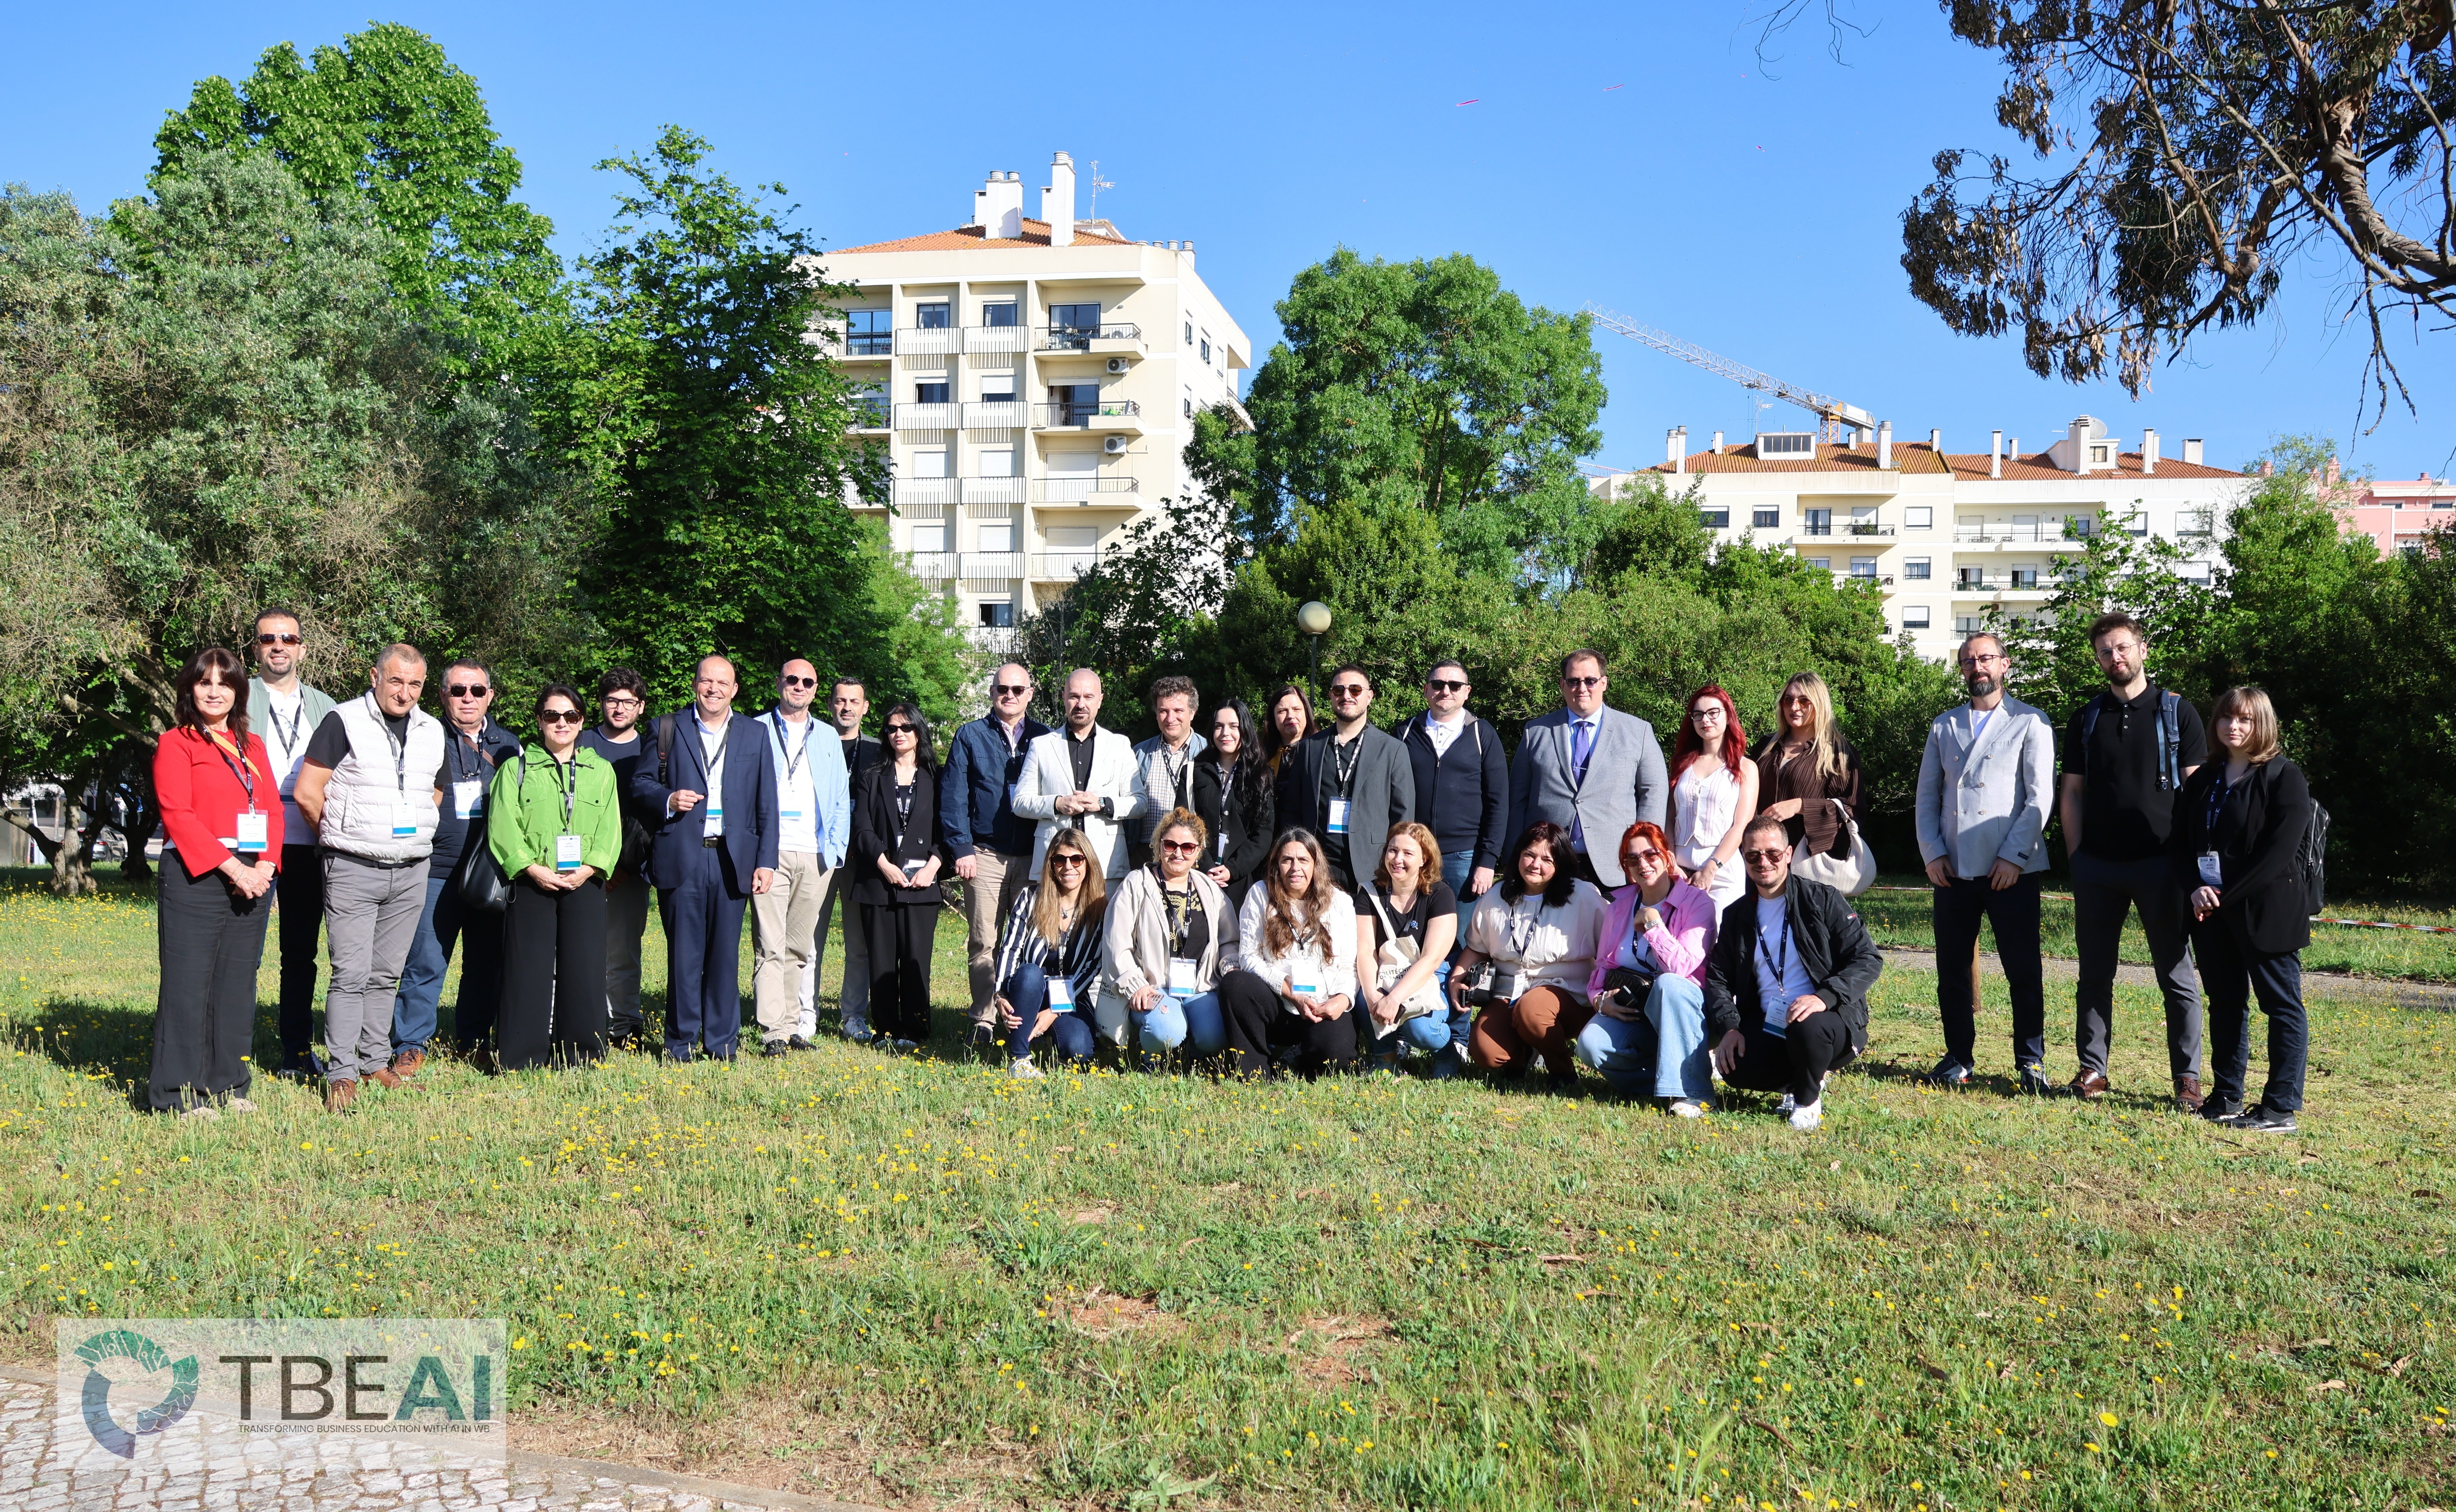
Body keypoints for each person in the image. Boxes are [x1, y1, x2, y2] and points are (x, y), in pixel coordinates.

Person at [2060, 612, 2210, 1108]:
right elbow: (2072, 793)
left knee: (2175, 975)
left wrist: (2192, 865)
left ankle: (2187, 1079)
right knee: (2093, 974)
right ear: (2097, 659)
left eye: (2122, 647)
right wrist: (2077, 858)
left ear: (2142, 650)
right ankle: (2092, 1069)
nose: (2114, 657)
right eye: (2105, 651)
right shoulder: (2086, 719)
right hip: (2097, 867)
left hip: (2162, 866)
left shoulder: (2177, 712)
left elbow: (2197, 795)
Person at [291, 644, 447, 1113]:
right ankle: (341, 1071)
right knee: (351, 974)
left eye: (415, 684)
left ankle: (375, 1062)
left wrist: (410, 834)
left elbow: (434, 792)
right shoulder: (343, 721)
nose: (405, 693)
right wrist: (339, 838)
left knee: (386, 974)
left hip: (411, 868)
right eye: (396, 681)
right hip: (352, 866)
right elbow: (308, 792)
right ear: (375, 677)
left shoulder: (432, 730)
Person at [1914, 632, 2058, 1094]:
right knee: (1952, 971)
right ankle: (1958, 1057)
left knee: (2023, 971)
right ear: (1961, 669)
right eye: (1968, 661)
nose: (1977, 667)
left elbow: (2039, 799)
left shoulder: (2030, 722)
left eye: (1985, 658)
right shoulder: (1943, 726)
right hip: (1953, 869)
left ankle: (2031, 1062)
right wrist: (1932, 853)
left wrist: (2013, 857)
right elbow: (1926, 797)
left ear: (2004, 664)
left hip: (2010, 869)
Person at [2171, 686, 2313, 1134]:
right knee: (2226, 1004)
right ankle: (2227, 1096)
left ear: (2262, 724)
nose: (2233, 726)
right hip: (2211, 913)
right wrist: (2195, 888)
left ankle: (2279, 1109)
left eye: (2245, 719)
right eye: (2226, 718)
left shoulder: (2284, 777)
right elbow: (2179, 843)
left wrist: (2222, 896)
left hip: (2266, 911)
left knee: (2281, 1006)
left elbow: (2277, 854)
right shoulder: (2203, 779)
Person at [151, 647, 283, 1117]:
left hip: (253, 875)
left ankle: (230, 1086)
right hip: (198, 872)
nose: (214, 692)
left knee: (236, 984)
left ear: (238, 692)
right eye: (204, 682)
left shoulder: (254, 746)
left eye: (224, 683)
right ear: (190, 689)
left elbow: (274, 811)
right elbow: (178, 815)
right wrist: (235, 869)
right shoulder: (177, 743)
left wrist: (265, 867)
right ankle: (177, 1095)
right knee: (188, 986)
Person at [630, 655, 780, 1063]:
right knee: (684, 957)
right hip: (683, 855)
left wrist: (766, 861)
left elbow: (767, 802)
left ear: (735, 690)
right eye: (706, 681)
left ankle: (722, 1045)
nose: (713, 689)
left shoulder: (754, 733)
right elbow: (640, 784)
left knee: (724, 957)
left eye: (722, 683)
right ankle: (680, 1045)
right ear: (695, 684)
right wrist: (667, 798)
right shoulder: (667, 727)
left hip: (733, 859)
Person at [1703, 814, 1886, 1132]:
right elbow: (1718, 978)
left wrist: (1823, 997)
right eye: (1753, 856)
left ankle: (1806, 1100)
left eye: (1773, 854)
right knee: (1735, 1067)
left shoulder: (1823, 899)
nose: (1764, 862)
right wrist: (1730, 1028)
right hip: (1769, 1020)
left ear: (1788, 855)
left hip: (1826, 1019)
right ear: (1743, 858)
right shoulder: (1737, 915)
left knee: (1807, 1025)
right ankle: (1799, 1079)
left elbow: (1867, 959)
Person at [396, 659, 519, 1075]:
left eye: (477, 691)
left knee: (486, 963)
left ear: (490, 696)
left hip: (489, 874)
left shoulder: (509, 746)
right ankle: (411, 1046)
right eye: (458, 690)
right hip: (435, 870)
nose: (468, 698)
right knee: (426, 962)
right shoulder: (424, 738)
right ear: (443, 695)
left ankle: (474, 1042)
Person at [489, 685, 621, 1071]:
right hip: (532, 882)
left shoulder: (602, 772)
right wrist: (531, 868)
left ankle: (582, 1056)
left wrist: (590, 868)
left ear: (581, 722)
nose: (561, 723)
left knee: (585, 970)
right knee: (527, 971)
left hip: (585, 881)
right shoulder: (516, 770)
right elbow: (503, 825)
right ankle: (521, 1058)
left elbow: (611, 828)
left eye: (570, 716)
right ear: (539, 721)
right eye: (552, 715)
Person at [245, 607, 337, 1081]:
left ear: (302, 649)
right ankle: (230, 1050)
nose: (278, 646)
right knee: (243, 952)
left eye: (288, 639)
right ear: (255, 648)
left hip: (307, 838)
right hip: (252, 841)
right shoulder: (237, 697)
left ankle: (296, 1051)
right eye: (268, 639)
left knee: (300, 954)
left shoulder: (326, 706)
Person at [1572, 821, 1719, 1114]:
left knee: (1668, 984)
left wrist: (1653, 924)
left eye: (1651, 855)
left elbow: (1681, 968)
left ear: (1667, 857)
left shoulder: (1697, 903)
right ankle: (1662, 1084)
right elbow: (1602, 967)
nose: (1643, 864)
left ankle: (1697, 1094)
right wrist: (1600, 1001)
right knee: (1590, 1044)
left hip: (1690, 1014)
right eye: (1632, 859)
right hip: (1636, 1012)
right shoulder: (1618, 907)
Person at [942, 663, 1052, 1056]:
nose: (1010, 695)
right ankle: (984, 1020)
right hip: (985, 854)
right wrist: (962, 849)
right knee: (984, 940)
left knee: (1030, 942)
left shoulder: (1045, 738)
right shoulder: (970, 735)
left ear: (1030, 694)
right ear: (992, 692)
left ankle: (1023, 1017)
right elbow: (954, 796)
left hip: (1034, 855)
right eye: (1002, 689)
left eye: (1018, 689)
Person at [1453, 822, 1610, 1091]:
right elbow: (1477, 948)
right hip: (1510, 991)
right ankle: (1522, 1058)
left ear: (1560, 863)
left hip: (1569, 996)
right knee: (1485, 1051)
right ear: (1518, 856)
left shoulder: (1583, 896)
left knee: (1532, 1010)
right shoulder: (1496, 896)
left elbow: (1610, 950)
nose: (1535, 865)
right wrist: (1457, 978)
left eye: (1547, 860)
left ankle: (1563, 1072)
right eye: (1529, 855)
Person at [751, 658, 853, 1056]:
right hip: (770, 852)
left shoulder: (827, 736)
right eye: (792, 679)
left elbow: (841, 797)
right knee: (770, 945)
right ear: (779, 683)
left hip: (816, 855)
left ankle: (792, 1026)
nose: (799, 686)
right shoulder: (756, 729)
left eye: (807, 682)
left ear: (815, 690)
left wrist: (836, 850)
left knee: (799, 947)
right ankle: (772, 1031)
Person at [1508, 650, 1668, 891]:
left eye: (1590, 681)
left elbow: (1654, 793)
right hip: (1547, 864)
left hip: (1616, 864)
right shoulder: (1536, 731)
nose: (1582, 688)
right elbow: (1517, 799)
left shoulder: (1638, 732)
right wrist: (1512, 857)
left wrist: (1646, 854)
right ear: (1563, 685)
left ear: (1604, 683)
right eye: (1573, 681)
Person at [1099, 807, 1235, 1068]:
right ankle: (1152, 1058)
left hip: (1198, 988)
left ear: (1198, 851)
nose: (1178, 853)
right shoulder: (1136, 883)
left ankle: (1190, 1054)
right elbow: (1116, 944)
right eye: (1170, 845)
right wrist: (1136, 985)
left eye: (1188, 847)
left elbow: (1230, 940)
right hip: (1153, 987)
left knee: (1216, 1037)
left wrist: (1230, 968)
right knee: (1165, 1031)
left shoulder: (1209, 889)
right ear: (1159, 845)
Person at [1219, 828, 1357, 1079]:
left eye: (1303, 860)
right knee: (1236, 984)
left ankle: (1300, 1062)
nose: (1295, 868)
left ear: (1316, 864)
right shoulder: (1260, 894)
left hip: (1322, 1004)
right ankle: (1254, 1072)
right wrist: (1291, 994)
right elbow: (1249, 958)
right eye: (1287, 860)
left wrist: (1341, 1002)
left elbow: (1350, 965)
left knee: (1335, 1055)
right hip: (1277, 1001)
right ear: (1276, 865)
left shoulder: (1340, 902)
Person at [850, 703, 946, 1051]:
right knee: (881, 959)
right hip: (879, 881)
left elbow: (949, 827)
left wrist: (932, 867)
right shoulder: (872, 776)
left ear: (919, 731)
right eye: (891, 728)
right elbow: (862, 827)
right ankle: (886, 1030)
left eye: (906, 727)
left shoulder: (939, 776)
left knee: (917, 959)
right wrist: (884, 864)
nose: (898, 734)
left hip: (923, 881)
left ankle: (916, 1030)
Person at [1278, 665, 1415, 891]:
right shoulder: (1309, 748)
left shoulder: (1393, 750)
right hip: (1318, 868)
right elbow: (1292, 809)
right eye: (1339, 690)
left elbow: (1403, 818)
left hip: (1372, 866)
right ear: (1331, 696)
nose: (1347, 696)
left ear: (1369, 696)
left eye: (1355, 690)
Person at [1400, 659, 1507, 938]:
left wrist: (1488, 861)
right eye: (1438, 684)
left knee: (1462, 938)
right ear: (1426, 690)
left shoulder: (1482, 734)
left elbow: (1498, 802)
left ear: (1467, 692)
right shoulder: (1405, 732)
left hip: (1464, 857)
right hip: (1415, 853)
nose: (1445, 691)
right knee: (1412, 936)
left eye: (1455, 685)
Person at [990, 825, 1108, 1077]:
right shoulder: (1030, 898)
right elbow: (1010, 949)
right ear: (1051, 864)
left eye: (1077, 859)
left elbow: (1091, 968)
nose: (1068, 867)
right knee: (1031, 973)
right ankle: (1020, 1059)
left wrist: (1054, 1011)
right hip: (1029, 988)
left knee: (1078, 1050)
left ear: (1088, 863)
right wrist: (1000, 996)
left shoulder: (1100, 909)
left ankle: (1048, 1035)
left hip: (1072, 995)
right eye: (1060, 859)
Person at [1013, 669, 1143, 881]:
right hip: (1055, 866)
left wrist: (1103, 803)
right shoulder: (1041, 746)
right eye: (1074, 696)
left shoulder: (1119, 745)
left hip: (1105, 865)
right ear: (1064, 697)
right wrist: (1057, 804)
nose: (1081, 704)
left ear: (1100, 700)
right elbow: (1020, 802)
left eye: (1088, 697)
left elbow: (1140, 804)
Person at [1352, 822, 1459, 1077]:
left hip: (1430, 973)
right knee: (1363, 1000)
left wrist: (1393, 999)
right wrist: (1373, 996)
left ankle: (1448, 1054)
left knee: (1419, 1029)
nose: (1397, 859)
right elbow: (1365, 951)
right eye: (1393, 850)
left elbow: (1432, 959)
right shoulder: (1369, 893)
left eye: (1408, 853)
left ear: (1424, 860)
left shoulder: (1440, 894)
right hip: (1387, 970)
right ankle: (1386, 1058)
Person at [580, 668, 651, 1049]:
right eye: (612, 700)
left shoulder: (652, 747)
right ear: (601, 703)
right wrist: (593, 864)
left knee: (623, 952)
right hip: (580, 868)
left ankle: (625, 1024)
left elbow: (649, 816)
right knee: (574, 948)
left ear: (641, 706)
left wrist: (622, 866)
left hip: (629, 870)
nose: (619, 708)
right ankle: (575, 1021)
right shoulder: (581, 742)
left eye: (628, 702)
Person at [810, 677, 881, 1041]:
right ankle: (805, 1014)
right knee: (809, 940)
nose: (847, 708)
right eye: (840, 701)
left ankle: (853, 1015)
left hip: (860, 859)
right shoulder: (812, 743)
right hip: (818, 854)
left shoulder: (879, 751)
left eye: (854, 701)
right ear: (830, 705)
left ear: (865, 708)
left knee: (859, 944)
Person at [1750, 672, 1865, 870]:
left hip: (1808, 862)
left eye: (1804, 701)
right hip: (1762, 860)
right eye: (1789, 700)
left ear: (1819, 703)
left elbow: (1852, 810)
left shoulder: (1838, 752)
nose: (1795, 707)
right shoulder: (1766, 747)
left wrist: (1800, 806)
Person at [1666, 685, 1758, 913]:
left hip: (1722, 874)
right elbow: (1669, 817)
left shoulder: (1745, 768)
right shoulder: (1681, 765)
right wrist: (1671, 862)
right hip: (1678, 874)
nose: (1705, 720)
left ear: (1728, 717)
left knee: (1718, 933)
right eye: (1698, 714)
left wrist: (1711, 869)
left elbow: (1742, 825)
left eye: (1713, 713)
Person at [1194, 699, 1273, 908]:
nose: (1225, 733)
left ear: (1245, 730)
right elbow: (1186, 825)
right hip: (1200, 877)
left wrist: (1233, 869)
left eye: (1233, 726)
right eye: (1219, 726)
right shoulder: (1195, 771)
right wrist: (1207, 867)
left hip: (1243, 882)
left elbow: (1263, 835)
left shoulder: (1261, 775)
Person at [1131, 675, 1209, 869]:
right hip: (1145, 854)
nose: (1170, 718)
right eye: (1163, 711)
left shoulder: (1209, 754)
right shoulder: (1139, 753)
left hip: (1189, 854)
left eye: (1178, 711)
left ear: (1192, 713)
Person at [1263, 683, 1318, 847]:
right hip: (1268, 843)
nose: (1290, 716)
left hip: (1307, 844)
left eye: (1296, 709)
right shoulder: (1261, 755)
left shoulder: (1320, 753)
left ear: (1307, 713)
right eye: (1282, 711)